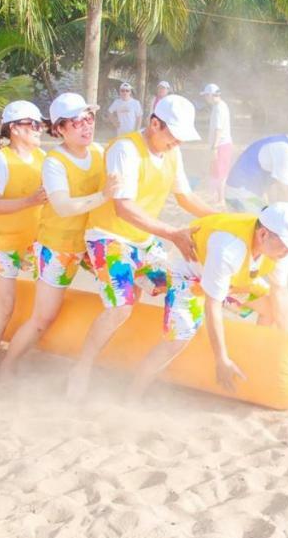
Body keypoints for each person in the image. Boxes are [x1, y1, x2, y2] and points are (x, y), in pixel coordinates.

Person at [65, 94, 217, 400]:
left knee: (180, 283)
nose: (177, 143)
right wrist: (173, 233)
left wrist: (224, 219)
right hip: (108, 238)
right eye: (173, 136)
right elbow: (123, 207)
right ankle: (81, 368)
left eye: (181, 138)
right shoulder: (125, 149)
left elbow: (185, 197)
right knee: (122, 304)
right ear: (154, 123)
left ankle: (144, 374)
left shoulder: (173, 153)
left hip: (144, 241)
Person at [0, 94, 117, 379]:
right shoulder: (54, 162)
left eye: (89, 119)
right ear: (59, 129)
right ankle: (7, 365)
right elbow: (62, 207)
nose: (86, 126)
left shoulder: (99, 151)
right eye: (77, 122)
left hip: (92, 242)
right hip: (59, 246)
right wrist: (103, 196)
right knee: (42, 318)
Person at [137, 203, 288, 396]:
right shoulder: (229, 248)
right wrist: (221, 360)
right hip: (188, 272)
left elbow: (280, 292)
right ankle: (133, 393)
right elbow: (213, 306)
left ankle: (254, 364)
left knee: (270, 309)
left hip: (229, 276)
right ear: (263, 235)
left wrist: (286, 340)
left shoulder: (280, 250)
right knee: (179, 337)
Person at [0, 100, 48, 372]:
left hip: (32, 242)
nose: (40, 129)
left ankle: (16, 356)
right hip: (2, 243)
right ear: (15, 129)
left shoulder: (42, 158)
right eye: (34, 125)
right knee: (5, 305)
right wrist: (31, 201)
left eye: (40, 124)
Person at [224, 119, 288, 212]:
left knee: (270, 215)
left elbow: (273, 186)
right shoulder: (285, 150)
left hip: (236, 192)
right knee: (268, 221)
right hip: (241, 195)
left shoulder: (281, 141)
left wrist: (274, 207)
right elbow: (282, 188)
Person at [202, 83, 233, 205]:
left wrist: (214, 147)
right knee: (216, 171)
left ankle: (221, 199)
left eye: (205, 96)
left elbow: (218, 129)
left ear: (210, 95)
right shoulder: (218, 106)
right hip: (220, 144)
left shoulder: (219, 108)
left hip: (221, 145)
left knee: (221, 172)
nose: (205, 98)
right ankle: (217, 197)